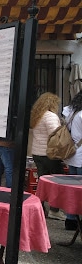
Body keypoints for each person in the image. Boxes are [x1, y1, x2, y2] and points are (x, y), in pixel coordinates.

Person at [30, 92, 65, 221]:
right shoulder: (50, 116)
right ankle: (54, 210)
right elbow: (56, 135)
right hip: (49, 153)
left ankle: (39, 207)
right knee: (57, 181)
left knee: (42, 182)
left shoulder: (37, 116)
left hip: (37, 152)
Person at [62, 90, 82, 230]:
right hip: (80, 155)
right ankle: (77, 220)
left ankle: (70, 219)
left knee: (71, 189)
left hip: (72, 154)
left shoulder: (70, 111)